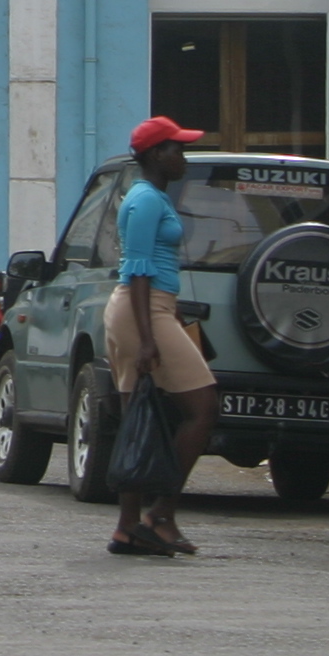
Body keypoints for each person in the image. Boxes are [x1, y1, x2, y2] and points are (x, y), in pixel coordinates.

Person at [109, 117, 221, 558]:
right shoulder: (145, 201)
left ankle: (127, 527)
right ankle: (161, 514)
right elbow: (137, 268)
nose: (185, 158)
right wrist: (150, 337)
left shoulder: (152, 197)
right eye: (178, 149)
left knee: (142, 417)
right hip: (144, 310)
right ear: (156, 154)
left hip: (150, 309)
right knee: (203, 406)